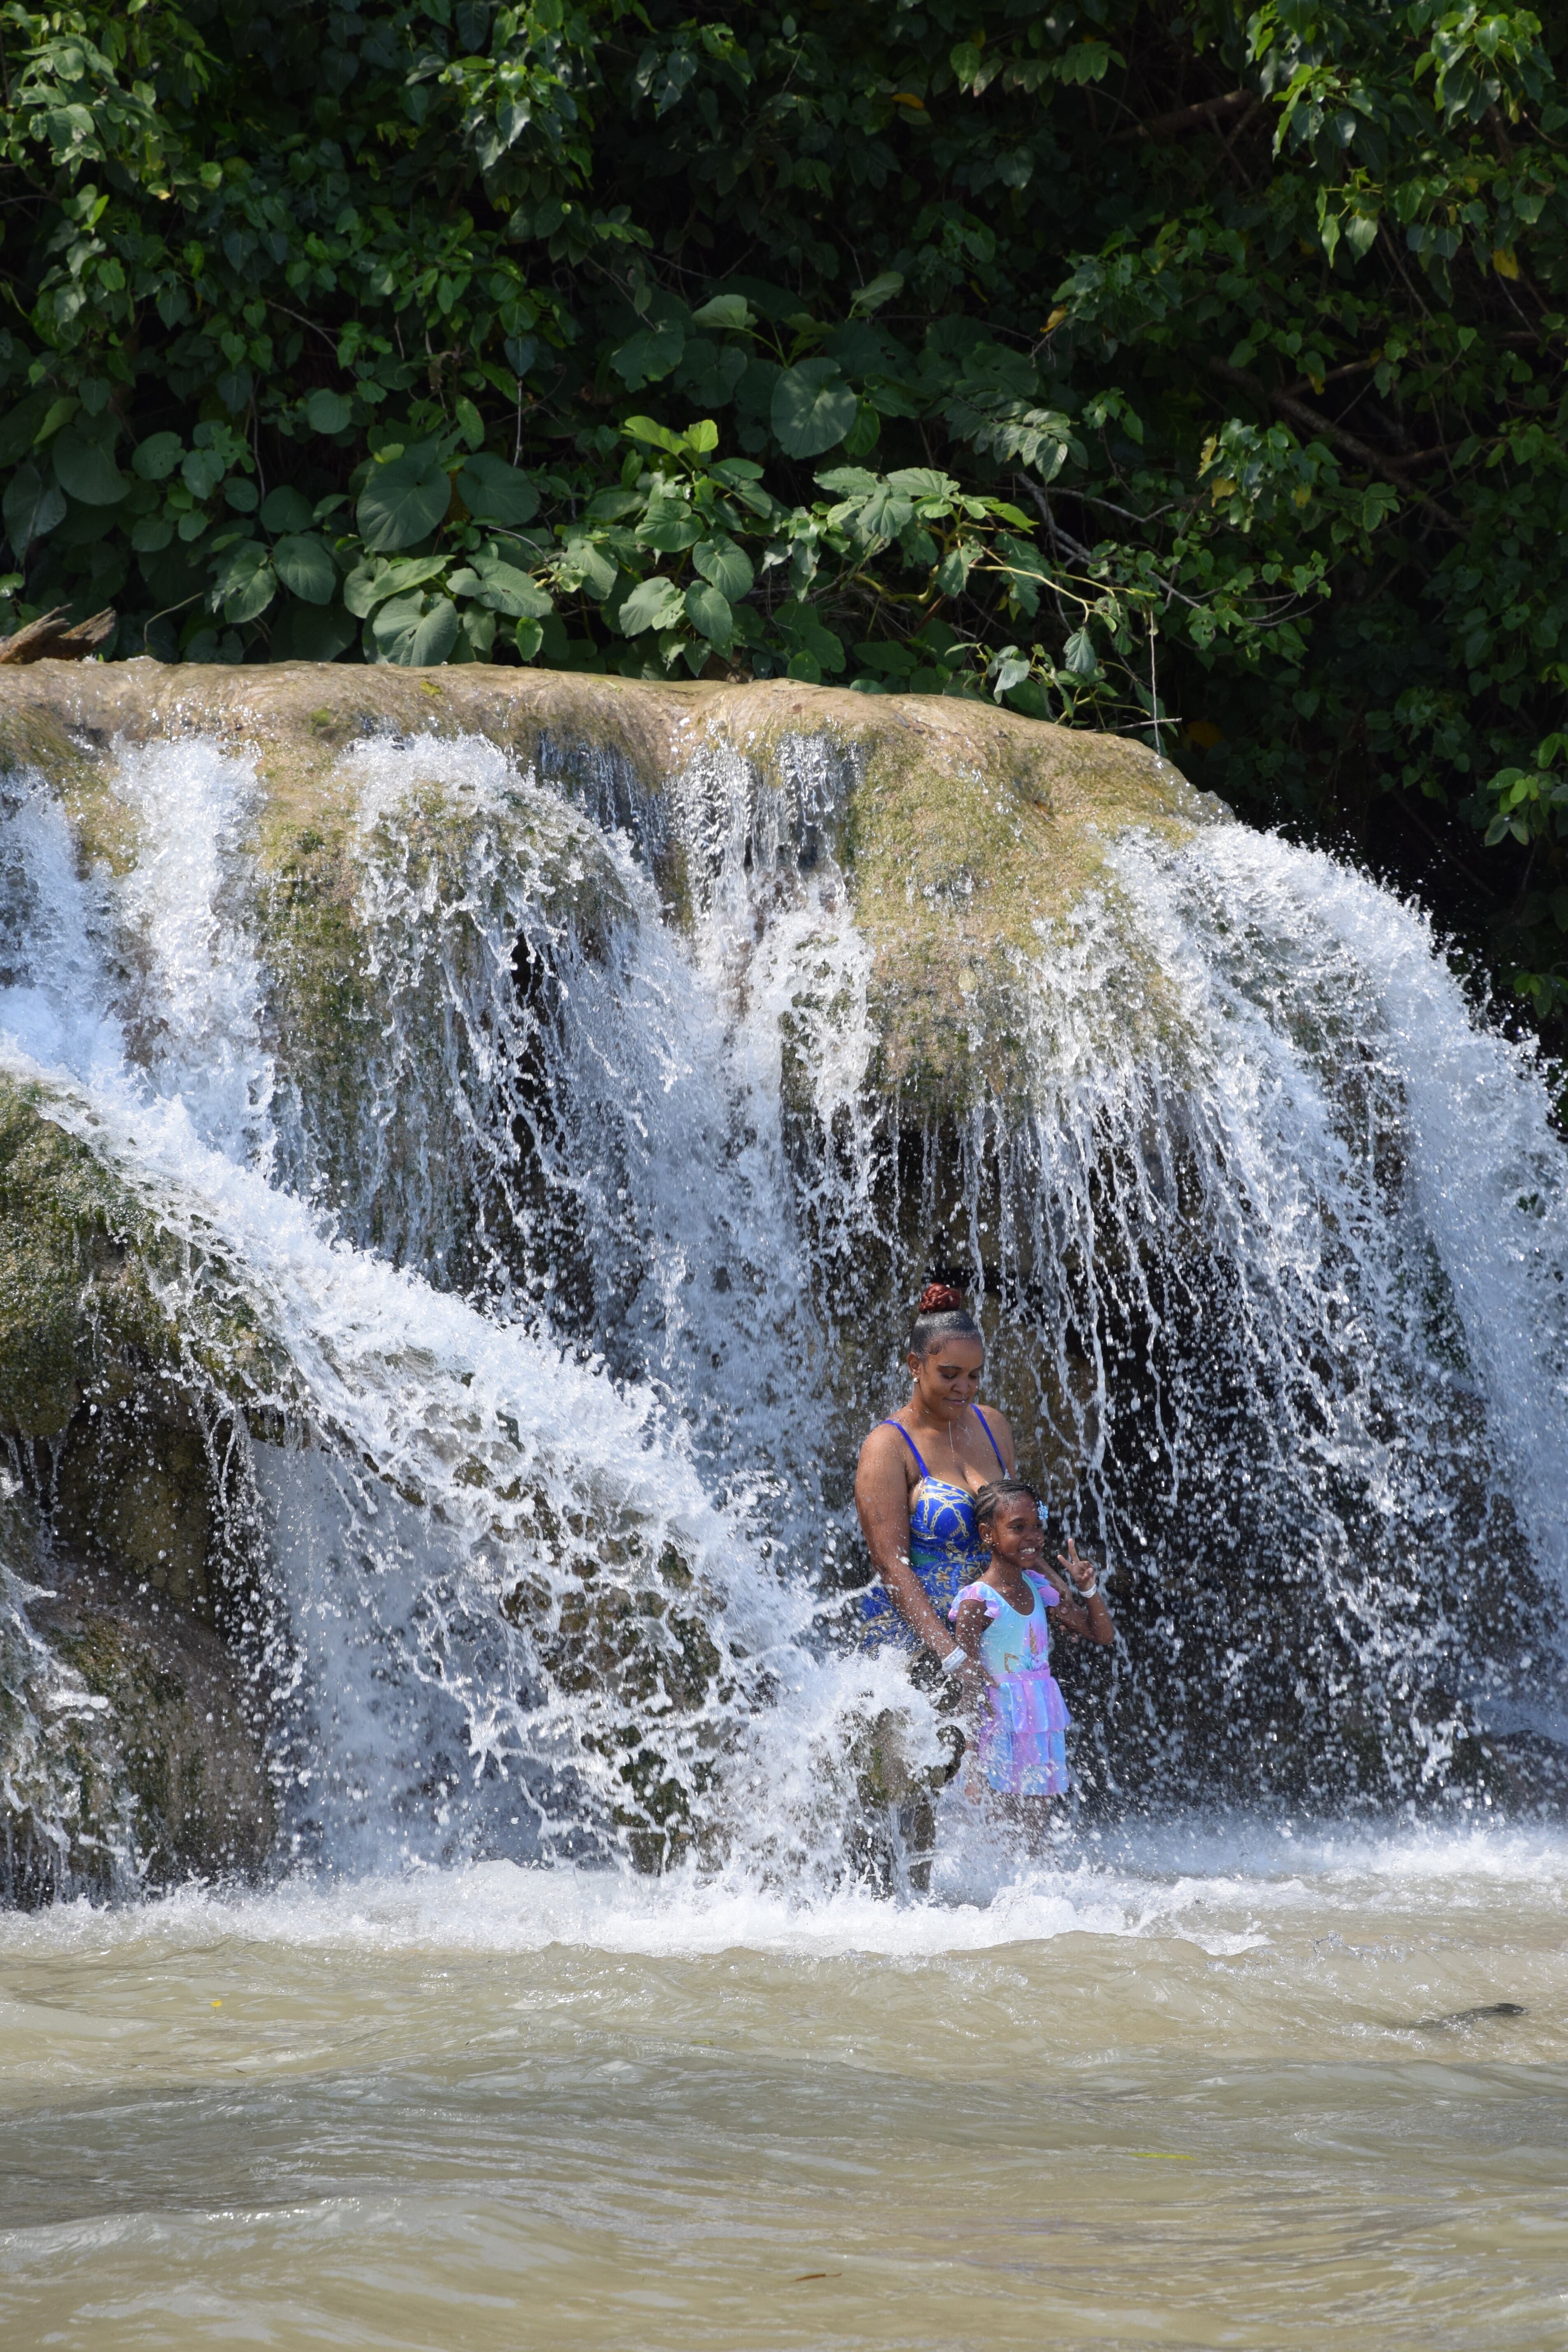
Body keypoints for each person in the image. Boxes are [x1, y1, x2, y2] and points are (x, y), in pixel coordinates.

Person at [853, 1280, 1017, 1680]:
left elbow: (1015, 1529)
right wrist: (953, 1657)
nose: (964, 1388)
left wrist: (1061, 1595)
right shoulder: (887, 1446)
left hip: (995, 1635)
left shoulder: (992, 1425)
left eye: (974, 1375)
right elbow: (891, 1565)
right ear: (915, 1365)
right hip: (918, 1651)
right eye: (949, 1374)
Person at [948, 1477, 1114, 1839]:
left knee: (1034, 1827)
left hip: (1038, 1720)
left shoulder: (1040, 1589)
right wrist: (969, 1753)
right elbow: (966, 1677)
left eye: (1037, 1526)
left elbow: (1102, 1635)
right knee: (999, 1824)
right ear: (988, 1533)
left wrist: (1087, 1588)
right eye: (1018, 1527)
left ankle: (1037, 1889)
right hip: (999, 1724)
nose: (1032, 1536)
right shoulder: (978, 1600)